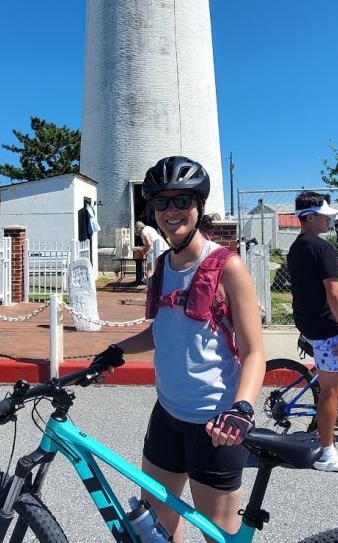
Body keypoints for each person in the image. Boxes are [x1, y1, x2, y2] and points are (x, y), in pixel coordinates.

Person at [93, 156, 265, 542]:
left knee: (218, 537)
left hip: (215, 425)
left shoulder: (228, 267)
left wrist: (243, 408)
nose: (172, 211)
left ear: (198, 206)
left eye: (182, 200)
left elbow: (255, 352)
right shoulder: (162, 265)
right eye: (161, 202)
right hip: (167, 417)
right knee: (153, 531)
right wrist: (116, 351)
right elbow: (163, 332)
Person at [287, 191, 338, 473]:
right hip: (324, 330)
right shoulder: (322, 249)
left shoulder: (298, 246)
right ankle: (327, 454)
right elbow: (334, 293)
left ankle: (326, 441)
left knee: (329, 384)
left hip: (308, 323)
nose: (329, 220)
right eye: (325, 215)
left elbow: (316, 291)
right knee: (331, 390)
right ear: (310, 217)